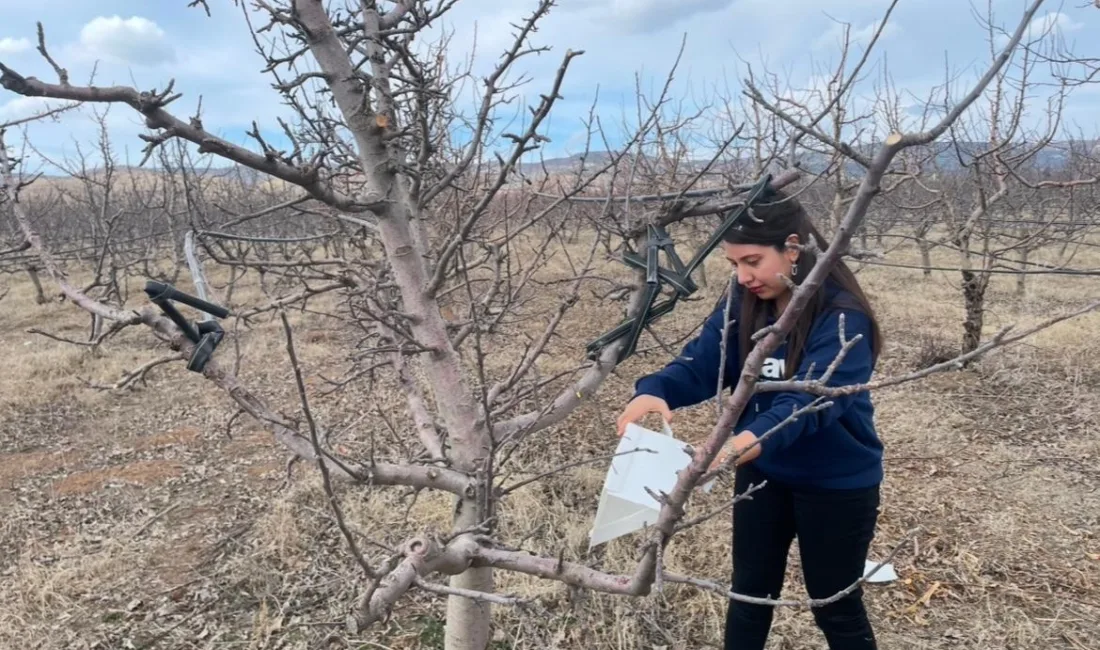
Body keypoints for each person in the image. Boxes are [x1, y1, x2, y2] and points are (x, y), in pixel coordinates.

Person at [615, 189, 885, 650]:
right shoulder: (745, 302)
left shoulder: (844, 317)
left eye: (753, 262)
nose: (742, 277)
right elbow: (704, 364)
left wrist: (735, 445)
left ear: (794, 248)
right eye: (733, 265)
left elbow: (810, 405)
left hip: (836, 483)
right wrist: (654, 391)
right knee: (748, 594)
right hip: (762, 476)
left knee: (833, 603)